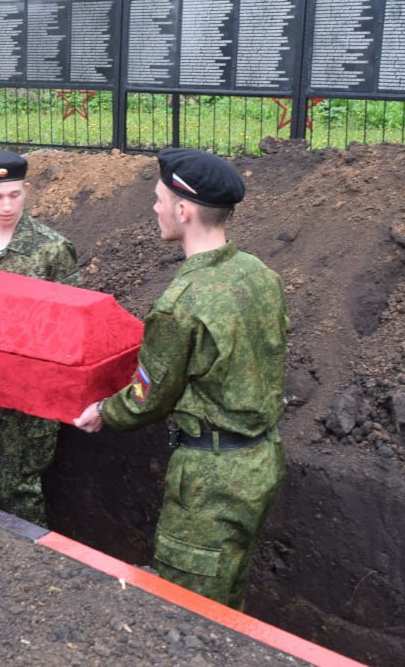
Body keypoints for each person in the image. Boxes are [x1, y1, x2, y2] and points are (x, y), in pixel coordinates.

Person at [73, 148, 289, 611]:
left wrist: (103, 411)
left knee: (189, 610)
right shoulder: (260, 275)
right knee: (229, 591)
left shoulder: (181, 304)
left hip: (211, 480)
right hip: (261, 462)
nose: (154, 208)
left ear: (184, 210)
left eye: (158, 200)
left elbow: (149, 398)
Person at [0, 150, 80, 527]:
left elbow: (72, 326)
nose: (7, 205)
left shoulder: (52, 249)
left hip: (31, 393)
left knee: (19, 489)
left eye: (15, 194)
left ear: (27, 190)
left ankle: (33, 563)